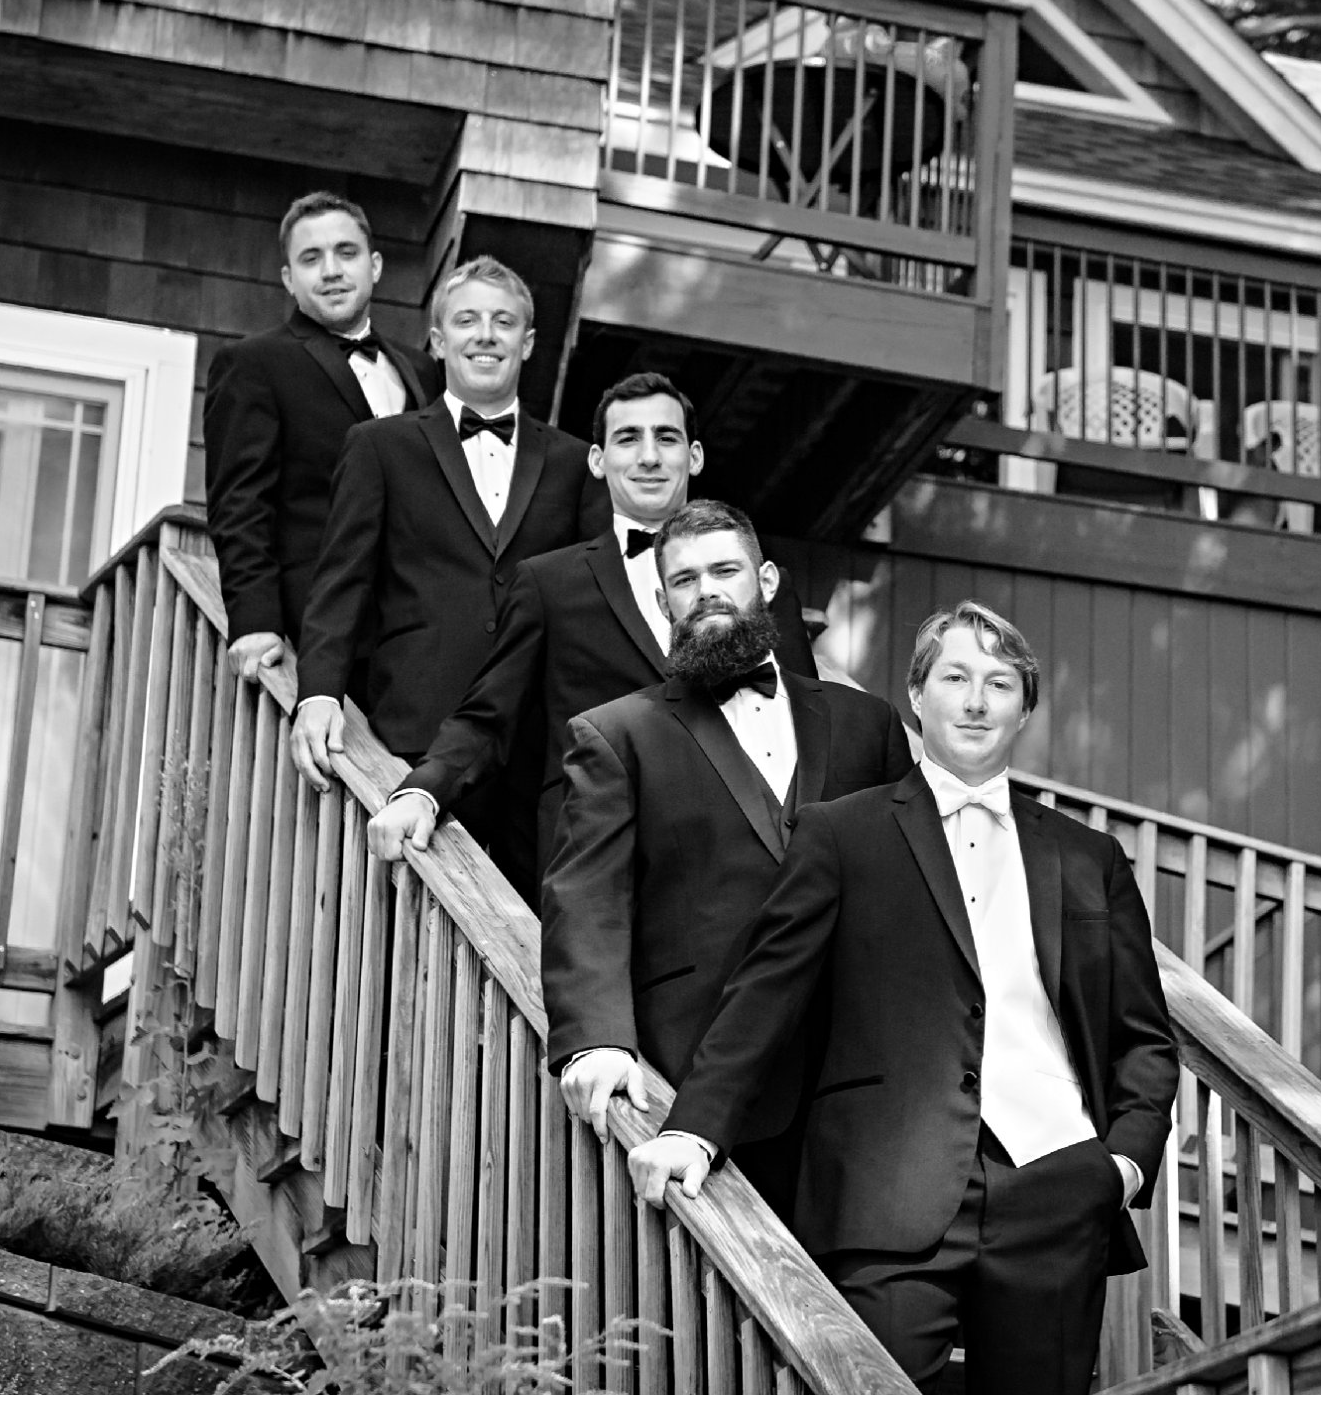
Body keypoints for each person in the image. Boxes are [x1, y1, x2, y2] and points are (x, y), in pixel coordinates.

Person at [632, 601, 1177, 1394]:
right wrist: (694, 1131)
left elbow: (1145, 1039)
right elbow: (763, 998)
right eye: (955, 677)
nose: (976, 699)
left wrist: (1120, 1166)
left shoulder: (1088, 857)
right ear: (917, 698)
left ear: (1025, 707)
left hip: (1057, 1188)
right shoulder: (842, 834)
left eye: (1000, 683)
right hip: (887, 1189)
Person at [538, 500, 913, 1215]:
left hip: (859, 1079)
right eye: (683, 580)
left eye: (725, 570)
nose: (705, 590)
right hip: (694, 1070)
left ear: (766, 580)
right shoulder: (618, 735)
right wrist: (596, 1041)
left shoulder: (869, 723)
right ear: (661, 600)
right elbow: (587, 897)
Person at [363, 372, 818, 877]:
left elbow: (809, 720)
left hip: (743, 858)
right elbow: (488, 718)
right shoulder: (548, 582)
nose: (649, 456)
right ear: (598, 461)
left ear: (694, 457)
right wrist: (422, 792)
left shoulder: (760, 582)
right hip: (596, 860)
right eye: (628, 438)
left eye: (666, 438)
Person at [290, 255, 607, 893]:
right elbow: (341, 583)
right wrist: (318, 691)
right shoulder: (380, 446)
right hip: (408, 733)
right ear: (438, 341)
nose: (485, 335)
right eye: (466, 320)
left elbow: (588, 601)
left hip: (529, 750)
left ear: (528, 342)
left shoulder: (576, 464)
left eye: (502, 321)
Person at [202, 192, 432, 682]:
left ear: (375, 266)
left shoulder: (425, 371)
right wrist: (256, 622)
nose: (331, 270)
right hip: (319, 631)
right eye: (311, 258)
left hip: (420, 631)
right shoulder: (253, 364)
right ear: (289, 279)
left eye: (346, 253)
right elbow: (239, 504)